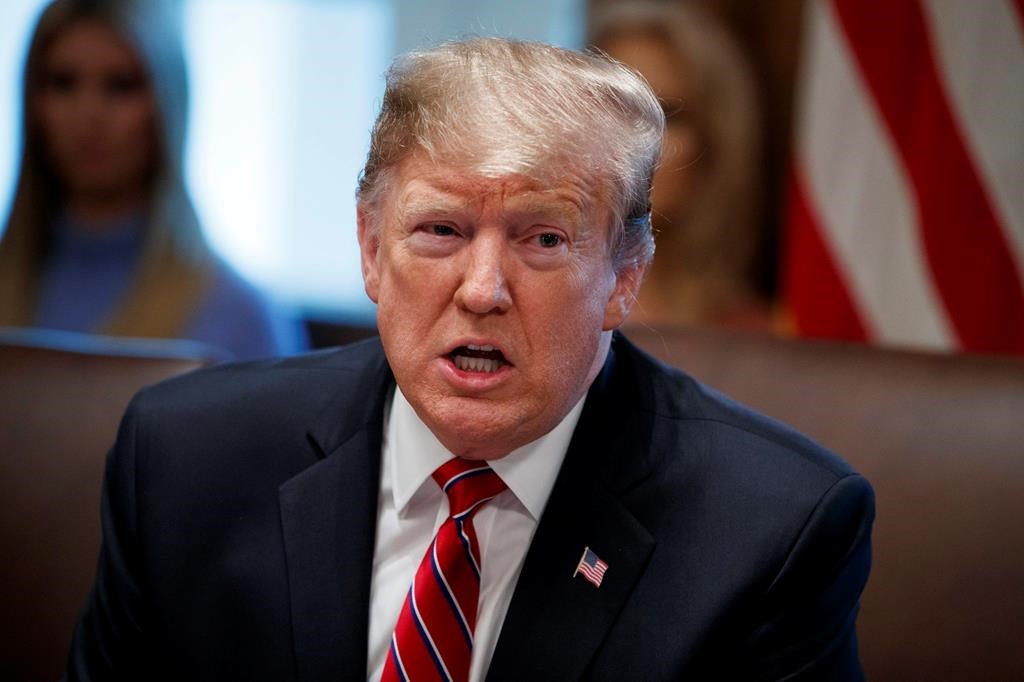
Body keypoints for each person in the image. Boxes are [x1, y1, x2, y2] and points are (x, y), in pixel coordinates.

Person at [66, 37, 873, 680]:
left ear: (625, 276)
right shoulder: (183, 459)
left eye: (544, 239)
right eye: (441, 231)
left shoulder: (774, 533)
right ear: (371, 250)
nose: (483, 289)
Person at [0, 0, 305, 360]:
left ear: (168, 103)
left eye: (121, 85)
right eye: (63, 83)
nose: (88, 114)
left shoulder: (239, 317)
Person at [590, 1, 771, 331]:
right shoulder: (515, 303)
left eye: (668, 114)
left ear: (714, 143)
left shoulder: (755, 334)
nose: (636, 140)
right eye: (615, 108)